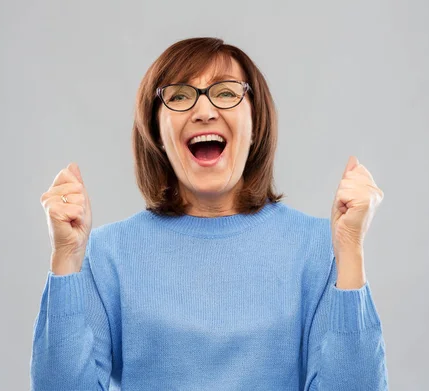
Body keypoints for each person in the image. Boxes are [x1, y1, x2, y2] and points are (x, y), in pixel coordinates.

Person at [30, 37, 388, 390]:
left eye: (227, 92)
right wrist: (66, 259)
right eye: (180, 96)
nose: (204, 111)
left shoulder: (317, 247)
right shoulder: (109, 252)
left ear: (255, 125)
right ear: (157, 132)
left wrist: (350, 248)